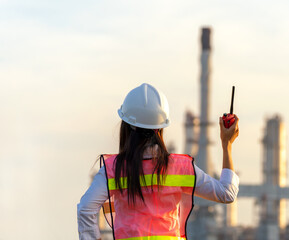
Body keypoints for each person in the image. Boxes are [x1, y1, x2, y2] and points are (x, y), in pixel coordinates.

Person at [77, 83, 240, 240]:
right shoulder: (180, 167)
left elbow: (86, 208)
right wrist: (227, 145)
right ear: (160, 128)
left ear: (126, 126)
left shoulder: (113, 169)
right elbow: (226, 193)